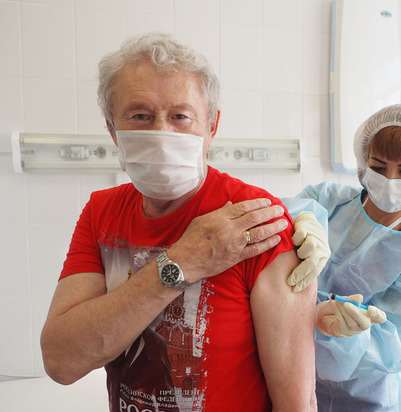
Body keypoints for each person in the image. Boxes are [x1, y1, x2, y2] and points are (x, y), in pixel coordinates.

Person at [40, 32, 318, 412]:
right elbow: (60, 360)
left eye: (180, 116)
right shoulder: (101, 212)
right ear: (112, 130)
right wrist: (181, 263)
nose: (161, 135)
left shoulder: (255, 221)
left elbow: (297, 403)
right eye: (140, 116)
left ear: (211, 127)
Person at [287, 103, 401, 411]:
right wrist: (297, 217)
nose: (390, 179)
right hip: (290, 376)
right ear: (364, 162)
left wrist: (343, 333)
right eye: (378, 167)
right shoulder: (323, 201)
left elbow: (384, 352)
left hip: (361, 398)